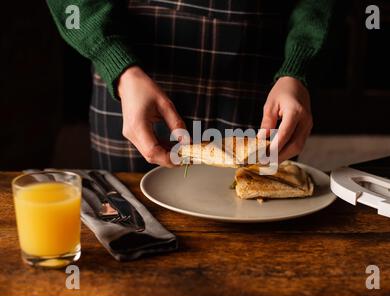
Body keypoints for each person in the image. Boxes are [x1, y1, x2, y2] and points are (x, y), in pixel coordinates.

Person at [47, 0, 334, 171]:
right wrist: (117, 65)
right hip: (134, 82)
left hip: (265, 81)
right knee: (133, 227)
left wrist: (298, 67)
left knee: (259, 239)